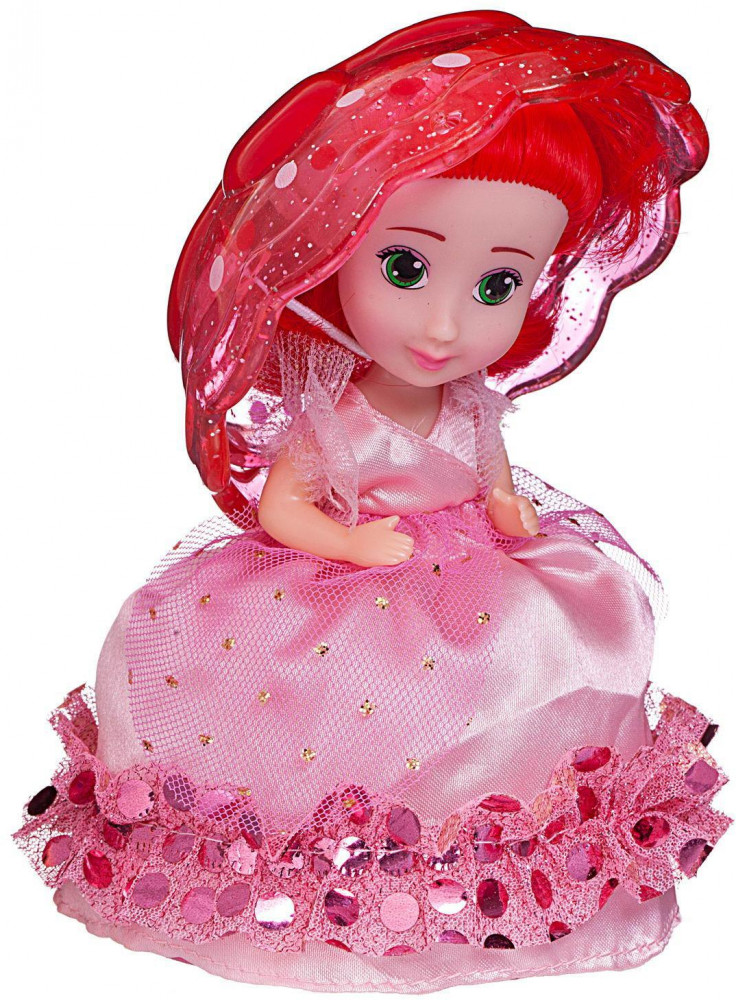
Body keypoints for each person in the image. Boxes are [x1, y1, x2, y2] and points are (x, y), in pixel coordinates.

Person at [15, 10, 731, 991]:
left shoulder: (471, 401)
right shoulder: (333, 412)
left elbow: (491, 471)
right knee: (319, 700)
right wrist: (349, 548)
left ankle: (478, 880)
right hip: (349, 572)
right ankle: (321, 879)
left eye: (497, 285)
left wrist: (510, 516)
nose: (444, 325)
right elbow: (282, 509)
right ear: (332, 257)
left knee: (555, 637)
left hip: (469, 573)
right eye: (405, 267)